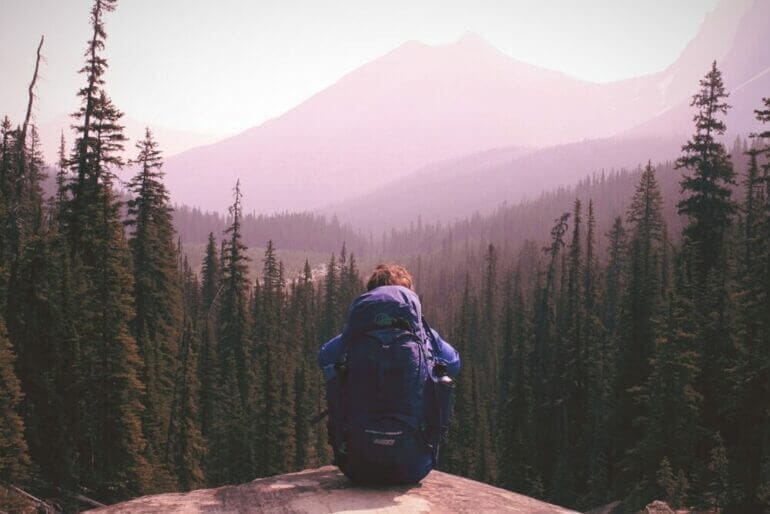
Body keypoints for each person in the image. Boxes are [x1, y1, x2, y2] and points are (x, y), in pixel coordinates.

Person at [318, 264, 460, 484]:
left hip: (356, 464)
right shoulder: (424, 335)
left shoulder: (355, 334)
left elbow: (325, 357)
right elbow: (453, 363)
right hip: (413, 464)